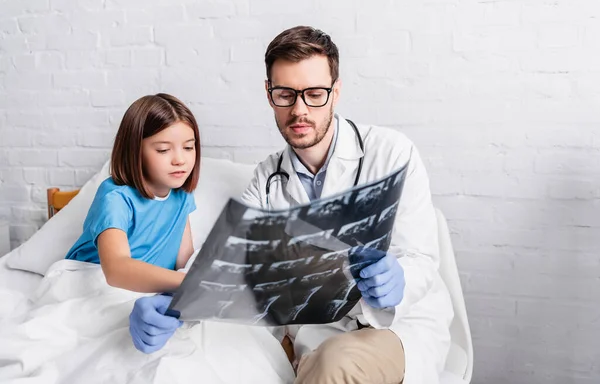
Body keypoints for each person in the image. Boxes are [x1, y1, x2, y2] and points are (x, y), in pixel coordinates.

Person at [128, 27, 454, 384]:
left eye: (314, 94)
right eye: (285, 94)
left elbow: (420, 257)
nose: (299, 110)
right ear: (269, 95)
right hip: (313, 335)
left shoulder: (391, 152)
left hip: (396, 329)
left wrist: (398, 281)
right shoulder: (267, 179)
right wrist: (173, 306)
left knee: (335, 363)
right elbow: (223, 261)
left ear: (336, 92)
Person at [65, 93, 201, 296]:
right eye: (163, 150)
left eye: (189, 147)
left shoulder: (182, 196)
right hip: (93, 285)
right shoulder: (115, 197)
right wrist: (188, 282)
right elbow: (116, 270)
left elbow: (184, 261)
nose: (180, 159)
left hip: (149, 289)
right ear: (135, 151)